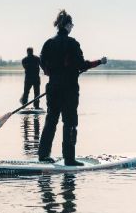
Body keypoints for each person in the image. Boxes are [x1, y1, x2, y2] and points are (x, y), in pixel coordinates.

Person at [38, 10, 107, 166]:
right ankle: (69, 158)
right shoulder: (72, 43)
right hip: (69, 88)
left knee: (51, 120)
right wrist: (99, 62)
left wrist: (51, 73)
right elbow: (82, 65)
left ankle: (43, 155)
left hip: (53, 87)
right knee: (70, 122)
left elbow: (42, 62)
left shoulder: (48, 43)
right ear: (68, 25)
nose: (72, 27)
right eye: (72, 25)